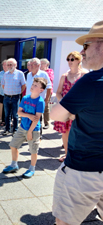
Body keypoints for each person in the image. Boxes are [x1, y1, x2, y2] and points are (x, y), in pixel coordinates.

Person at [51, 20, 103, 225]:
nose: (83, 51)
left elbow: (56, 114)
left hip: (84, 169)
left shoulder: (91, 81)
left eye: (86, 45)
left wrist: (73, 113)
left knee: (64, 222)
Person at [2, 78, 47, 178]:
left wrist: (30, 132)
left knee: (33, 151)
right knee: (13, 145)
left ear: (41, 90)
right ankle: (14, 165)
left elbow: (37, 119)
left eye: (36, 85)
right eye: (33, 84)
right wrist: (29, 116)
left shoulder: (40, 102)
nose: (33, 86)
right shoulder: (25, 98)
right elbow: (19, 112)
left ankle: (32, 168)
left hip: (33, 130)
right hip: (22, 128)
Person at [53, 52, 86, 162]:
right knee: (65, 132)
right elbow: (58, 92)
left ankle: (77, 154)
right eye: (68, 59)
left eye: (72, 59)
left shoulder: (84, 75)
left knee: (78, 133)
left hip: (78, 110)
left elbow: (88, 92)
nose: (70, 62)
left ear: (79, 60)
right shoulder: (64, 76)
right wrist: (62, 101)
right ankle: (67, 155)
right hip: (65, 109)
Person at [25, 58, 52, 139]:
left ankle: (37, 137)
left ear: (38, 65)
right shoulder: (29, 75)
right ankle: (29, 135)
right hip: (29, 100)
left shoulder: (43, 74)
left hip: (38, 101)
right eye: (30, 64)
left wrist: (46, 100)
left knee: (37, 120)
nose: (30, 66)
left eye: (32, 64)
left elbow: (49, 88)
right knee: (28, 118)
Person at [2, 58, 26, 136]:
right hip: (6, 97)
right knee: (7, 114)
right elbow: (3, 85)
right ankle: (7, 129)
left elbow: (24, 85)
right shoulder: (5, 74)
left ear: (15, 65)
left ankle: (15, 130)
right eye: (8, 64)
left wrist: (18, 92)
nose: (9, 66)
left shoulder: (20, 73)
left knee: (15, 115)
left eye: (10, 64)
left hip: (15, 97)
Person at [40, 58, 54, 129]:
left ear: (47, 64)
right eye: (40, 63)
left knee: (46, 106)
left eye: (42, 63)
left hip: (47, 91)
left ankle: (46, 123)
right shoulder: (39, 72)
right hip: (39, 91)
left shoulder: (50, 71)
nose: (41, 65)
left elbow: (49, 80)